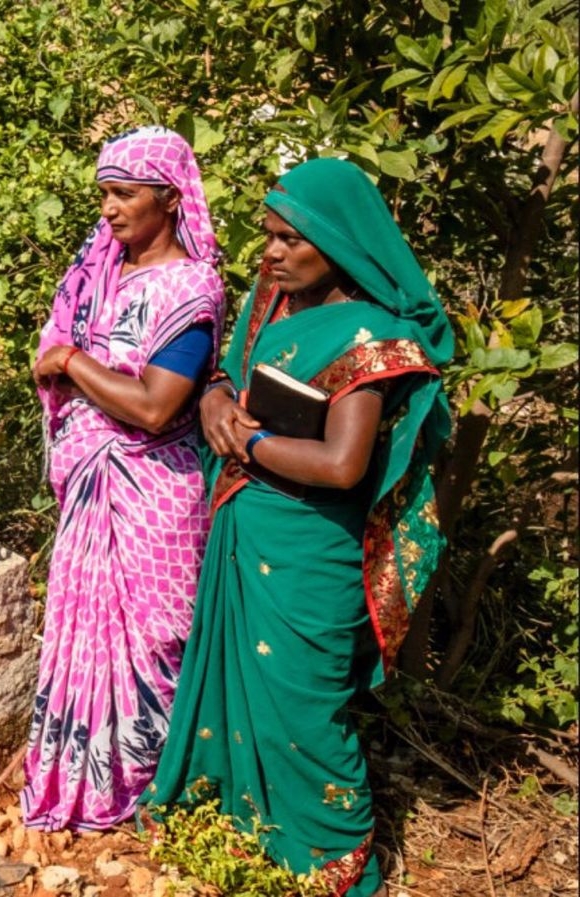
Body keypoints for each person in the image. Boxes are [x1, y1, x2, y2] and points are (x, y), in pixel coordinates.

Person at [139, 157, 452, 897]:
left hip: (312, 546)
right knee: (235, 684)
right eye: (268, 236)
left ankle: (337, 863)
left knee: (305, 711)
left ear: (337, 244)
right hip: (247, 526)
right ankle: (244, 838)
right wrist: (215, 398)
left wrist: (245, 443)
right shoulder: (275, 302)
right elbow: (231, 371)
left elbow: (344, 466)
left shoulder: (369, 336)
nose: (271, 254)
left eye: (289, 241)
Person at [22, 126, 226, 830]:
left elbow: (155, 404)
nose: (108, 209)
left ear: (169, 199)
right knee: (88, 631)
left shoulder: (189, 289)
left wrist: (72, 362)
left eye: (124, 193)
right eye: (103, 193)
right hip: (92, 484)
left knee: (157, 635)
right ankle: (88, 783)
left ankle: (159, 788)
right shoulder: (100, 275)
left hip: (154, 491)